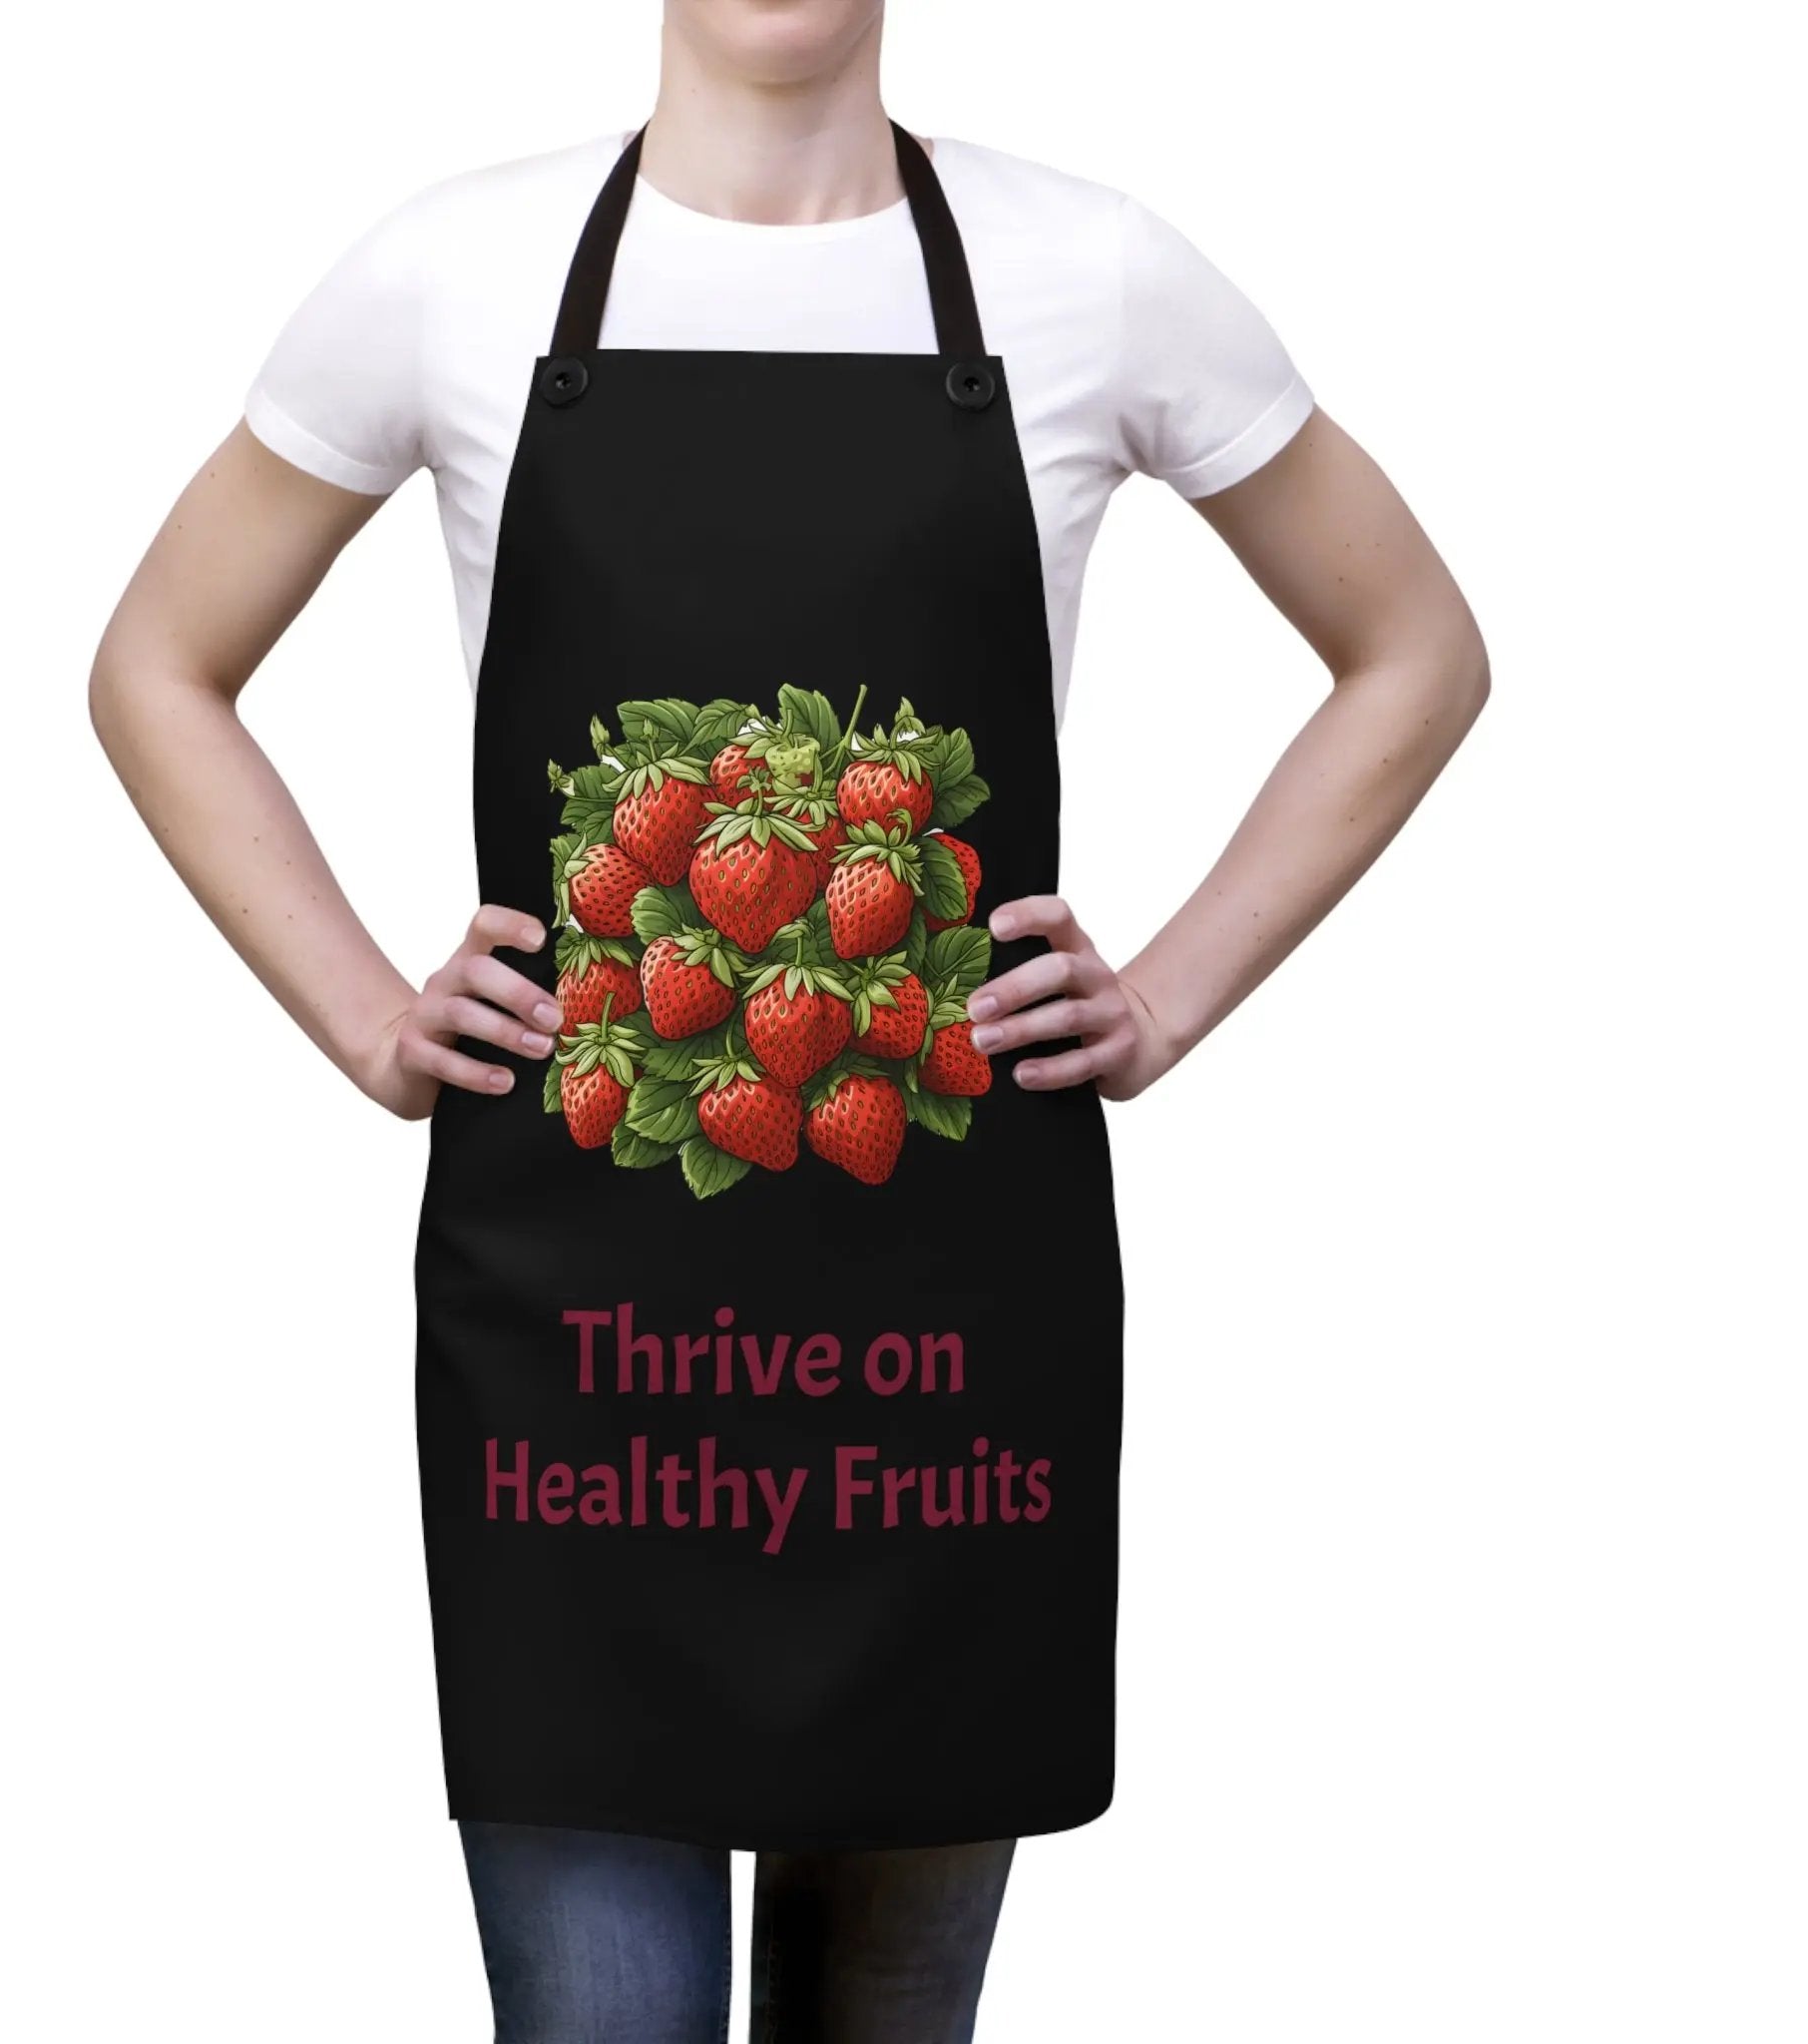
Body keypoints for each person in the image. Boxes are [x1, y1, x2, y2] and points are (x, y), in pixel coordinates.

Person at [90, 2, 1488, 2036]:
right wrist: (365, 1016)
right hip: (579, 1387)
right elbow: (158, 663)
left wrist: (1171, 994)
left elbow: (1415, 647)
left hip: (941, 1398)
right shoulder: (448, 274)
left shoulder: (1088, 276)